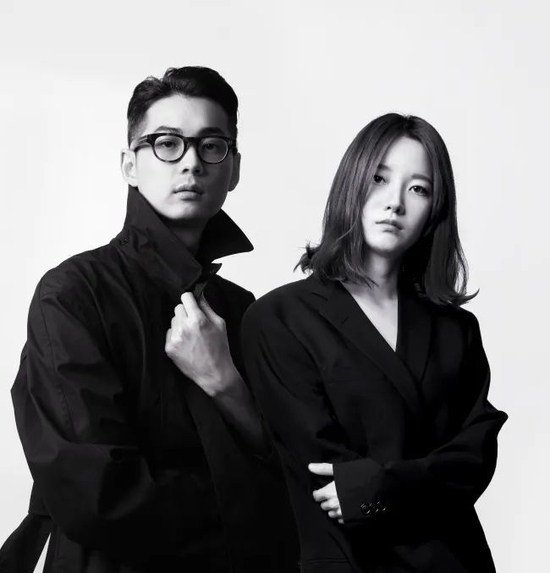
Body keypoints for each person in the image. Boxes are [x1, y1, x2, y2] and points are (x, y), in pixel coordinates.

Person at [0, 66, 298, 572]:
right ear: (130, 165)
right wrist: (253, 511)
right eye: (167, 144)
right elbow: (96, 493)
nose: (191, 162)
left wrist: (225, 383)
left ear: (234, 168)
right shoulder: (73, 294)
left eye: (211, 146)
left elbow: (294, 465)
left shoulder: (245, 311)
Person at [241, 113, 508, 573]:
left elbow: (475, 455)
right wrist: (420, 484)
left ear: (435, 210)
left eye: (418, 188)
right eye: (379, 179)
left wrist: (378, 488)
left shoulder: (456, 328)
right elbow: (324, 472)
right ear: (351, 183)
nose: (395, 203)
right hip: (351, 561)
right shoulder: (279, 319)